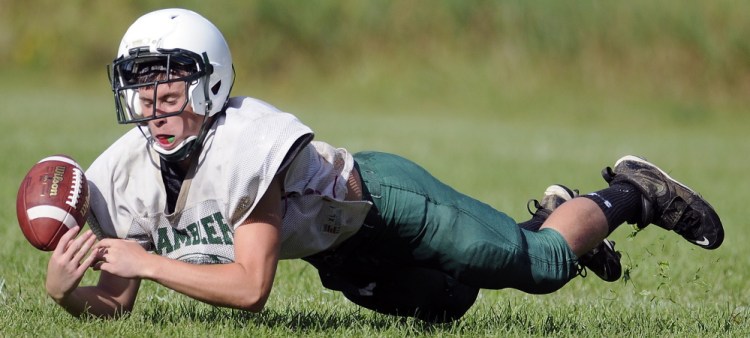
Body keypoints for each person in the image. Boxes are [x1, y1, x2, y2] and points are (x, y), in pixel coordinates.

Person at [45, 8, 724, 323]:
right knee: (450, 305)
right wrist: (64, 291)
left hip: (389, 202)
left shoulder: (245, 140)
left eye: (172, 87)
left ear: (212, 84)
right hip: (340, 256)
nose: (155, 105)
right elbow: (115, 305)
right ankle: (555, 219)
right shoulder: (121, 173)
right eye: (142, 88)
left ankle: (632, 193)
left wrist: (147, 263)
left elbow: (252, 287)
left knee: (541, 269)